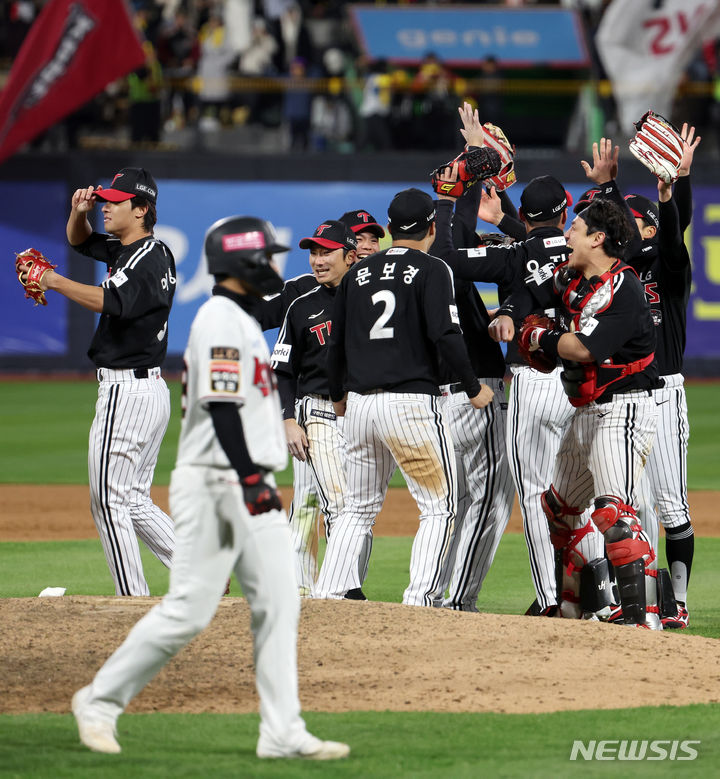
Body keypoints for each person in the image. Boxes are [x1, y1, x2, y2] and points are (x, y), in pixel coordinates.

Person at [71, 215, 350, 761]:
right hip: (218, 483)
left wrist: (254, 478)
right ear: (241, 262)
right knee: (188, 612)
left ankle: (282, 730)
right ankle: (99, 701)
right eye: (265, 256)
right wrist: (250, 479)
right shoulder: (221, 320)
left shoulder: (240, 319)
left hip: (246, 479)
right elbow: (221, 406)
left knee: (278, 602)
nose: (274, 263)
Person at [432, 157, 596, 618]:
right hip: (584, 382)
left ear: (524, 215)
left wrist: (450, 203)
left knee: (535, 493)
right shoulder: (588, 249)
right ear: (568, 213)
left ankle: (552, 599)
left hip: (532, 377)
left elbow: (449, 259)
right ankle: (600, 596)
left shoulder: (516, 253)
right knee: (590, 492)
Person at [315, 188, 494, 606]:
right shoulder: (433, 270)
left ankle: (327, 597)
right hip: (411, 405)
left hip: (358, 406)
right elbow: (446, 335)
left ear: (391, 229)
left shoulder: (357, 275)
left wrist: (337, 394)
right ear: (432, 228)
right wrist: (473, 388)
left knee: (355, 510)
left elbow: (336, 344)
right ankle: (419, 603)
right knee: (440, 506)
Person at [492, 198, 660, 627]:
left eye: (576, 230)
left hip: (623, 410)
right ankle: (572, 608)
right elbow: (528, 291)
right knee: (560, 509)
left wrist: (540, 338)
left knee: (613, 515)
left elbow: (585, 348)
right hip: (586, 411)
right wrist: (516, 314)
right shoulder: (571, 278)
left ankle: (643, 620)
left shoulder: (625, 287)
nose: (567, 235)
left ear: (598, 239)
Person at [16, 167, 176, 596]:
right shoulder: (135, 250)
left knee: (108, 501)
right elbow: (79, 240)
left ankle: (133, 603)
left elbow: (109, 300)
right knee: (133, 499)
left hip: (128, 391)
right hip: (145, 389)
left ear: (141, 209)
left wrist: (51, 279)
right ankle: (201, 572)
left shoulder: (144, 257)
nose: (106, 205)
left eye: (115, 201)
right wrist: (77, 212)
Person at [578, 131, 701, 628]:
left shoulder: (670, 270)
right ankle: (650, 602)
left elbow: (673, 238)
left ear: (649, 226)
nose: (625, 228)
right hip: (628, 394)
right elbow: (606, 236)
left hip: (665, 392)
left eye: (635, 221)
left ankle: (680, 598)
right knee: (634, 505)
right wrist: (607, 186)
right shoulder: (620, 272)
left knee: (670, 504)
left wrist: (674, 189)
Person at [272, 220, 369, 599]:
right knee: (339, 503)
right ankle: (344, 590)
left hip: (363, 413)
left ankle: (328, 588)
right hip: (318, 414)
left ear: (349, 256)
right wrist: (288, 420)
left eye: (325, 252)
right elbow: (281, 371)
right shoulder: (301, 306)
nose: (317, 260)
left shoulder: (368, 297)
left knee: (355, 506)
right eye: (313, 252)